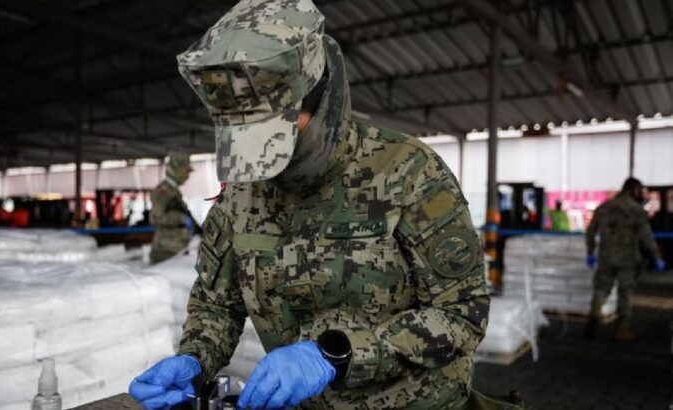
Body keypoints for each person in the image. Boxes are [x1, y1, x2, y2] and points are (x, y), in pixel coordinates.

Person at [130, 1, 489, 409]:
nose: (261, 153)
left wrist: (337, 354)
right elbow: (217, 303)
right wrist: (195, 357)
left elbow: (463, 311)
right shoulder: (243, 193)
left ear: (319, 99)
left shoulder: (406, 172)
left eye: (272, 130)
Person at [584, 177, 666, 341]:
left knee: (601, 288)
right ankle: (622, 329)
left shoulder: (603, 207)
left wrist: (590, 252)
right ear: (634, 190)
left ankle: (594, 316)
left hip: (606, 256)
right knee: (625, 292)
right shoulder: (636, 211)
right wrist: (656, 257)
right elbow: (646, 237)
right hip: (628, 258)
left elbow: (591, 231)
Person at [149, 152, 199, 264]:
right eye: (186, 171)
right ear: (176, 169)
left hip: (175, 250)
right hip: (165, 252)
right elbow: (156, 217)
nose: (188, 176)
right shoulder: (164, 191)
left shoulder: (173, 191)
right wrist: (181, 218)